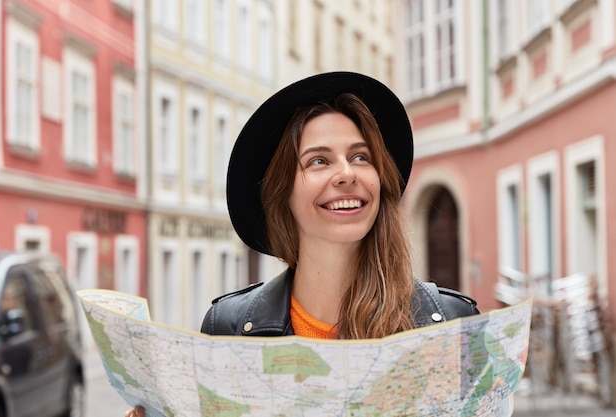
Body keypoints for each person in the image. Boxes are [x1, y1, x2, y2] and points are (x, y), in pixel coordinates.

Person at [125, 71, 478, 417]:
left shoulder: (449, 324)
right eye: (319, 161)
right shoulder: (228, 329)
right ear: (283, 195)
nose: (346, 173)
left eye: (361, 157)